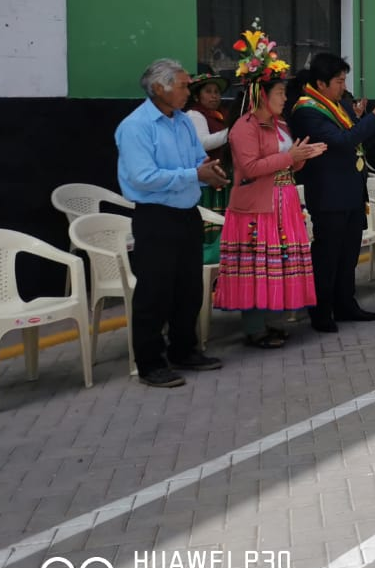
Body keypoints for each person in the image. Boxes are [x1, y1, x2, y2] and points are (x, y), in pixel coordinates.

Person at [116, 59, 229, 387]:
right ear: (158, 88)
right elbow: (143, 177)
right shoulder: (136, 126)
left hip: (186, 214)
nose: (187, 90)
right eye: (182, 85)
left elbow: (196, 162)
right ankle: (150, 363)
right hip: (155, 216)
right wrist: (195, 174)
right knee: (155, 291)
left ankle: (185, 349)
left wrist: (210, 174)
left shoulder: (181, 123)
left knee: (188, 288)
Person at [213, 27, 326, 348]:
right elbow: (249, 168)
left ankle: (271, 321)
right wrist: (288, 156)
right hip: (257, 206)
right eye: (280, 94)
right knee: (255, 264)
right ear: (262, 95)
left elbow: (286, 163)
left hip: (283, 200)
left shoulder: (280, 125)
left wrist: (301, 156)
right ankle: (254, 328)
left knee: (278, 262)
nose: (285, 99)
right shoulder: (243, 128)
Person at [288, 53, 375, 332]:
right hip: (328, 192)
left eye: (344, 79)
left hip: (350, 188)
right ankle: (321, 312)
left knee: (348, 253)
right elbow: (340, 141)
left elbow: (356, 139)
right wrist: (373, 118)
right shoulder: (307, 110)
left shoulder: (339, 105)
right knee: (327, 255)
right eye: (338, 80)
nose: (343, 85)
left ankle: (345, 304)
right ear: (321, 83)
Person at [186, 71, 232, 262]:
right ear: (198, 95)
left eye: (216, 92)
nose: (214, 96)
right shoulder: (195, 114)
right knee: (209, 228)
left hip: (222, 177)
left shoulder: (221, 115)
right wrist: (232, 132)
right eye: (209, 91)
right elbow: (203, 143)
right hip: (206, 182)